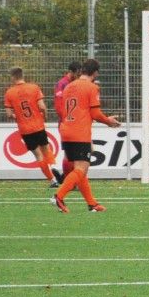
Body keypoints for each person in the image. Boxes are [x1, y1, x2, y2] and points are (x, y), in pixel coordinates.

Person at [53, 58, 121, 213]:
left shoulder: (69, 86)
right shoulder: (91, 87)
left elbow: (63, 109)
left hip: (65, 130)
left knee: (80, 170)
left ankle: (92, 204)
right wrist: (108, 121)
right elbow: (95, 113)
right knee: (81, 168)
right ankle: (59, 196)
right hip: (79, 132)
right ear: (95, 73)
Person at [3, 67, 63, 185]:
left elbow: (9, 114)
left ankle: (52, 180)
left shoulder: (9, 92)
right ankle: (53, 166)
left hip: (25, 129)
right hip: (38, 125)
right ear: (22, 75)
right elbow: (42, 107)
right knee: (46, 148)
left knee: (38, 155)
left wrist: (17, 116)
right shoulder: (34, 88)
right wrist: (45, 116)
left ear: (13, 77)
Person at [53, 60, 82, 185]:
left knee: (76, 153)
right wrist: (67, 120)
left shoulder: (76, 84)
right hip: (66, 124)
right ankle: (67, 180)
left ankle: (66, 178)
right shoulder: (62, 84)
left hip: (76, 123)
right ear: (71, 72)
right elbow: (59, 106)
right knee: (69, 153)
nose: (79, 76)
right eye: (77, 73)